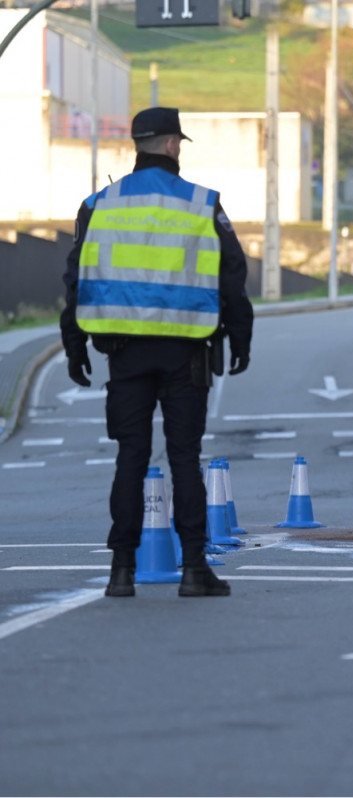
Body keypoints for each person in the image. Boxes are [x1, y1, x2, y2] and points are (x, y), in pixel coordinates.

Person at [60, 107, 255, 598]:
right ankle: (193, 569)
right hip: (185, 353)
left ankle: (121, 571)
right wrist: (241, 335)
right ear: (172, 145)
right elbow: (232, 275)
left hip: (123, 354)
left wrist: (74, 343)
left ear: (136, 144)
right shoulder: (201, 203)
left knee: (131, 456)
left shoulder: (99, 204)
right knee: (185, 458)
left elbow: (75, 278)